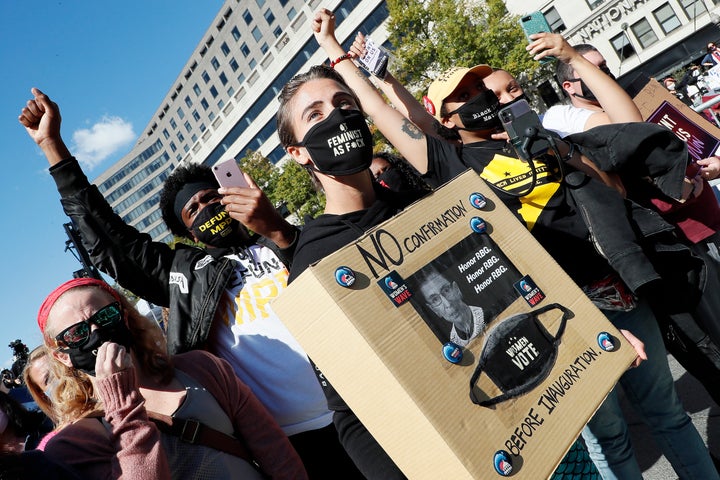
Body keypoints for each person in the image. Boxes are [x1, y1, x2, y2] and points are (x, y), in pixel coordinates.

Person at [344, 24, 718, 480]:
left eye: (480, 87)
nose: (479, 97)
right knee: (610, 438)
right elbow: (388, 117)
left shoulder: (538, 136)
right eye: (463, 96)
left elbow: (612, 160)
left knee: (669, 415)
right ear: (444, 118)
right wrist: (347, 61)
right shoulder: (453, 165)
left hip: (618, 293)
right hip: (560, 314)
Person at [19, 88, 365, 478]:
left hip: (365, 404)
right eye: (193, 210)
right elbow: (110, 241)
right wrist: (54, 150)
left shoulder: (294, 237)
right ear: (191, 235)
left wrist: (280, 232)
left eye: (209, 198)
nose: (206, 210)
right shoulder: (188, 275)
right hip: (296, 441)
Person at [36, 276, 307, 479]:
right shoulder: (74, 441)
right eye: (76, 334)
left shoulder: (200, 368)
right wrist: (122, 404)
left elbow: (273, 449)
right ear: (62, 356)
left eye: (106, 316)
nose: (96, 331)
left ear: (125, 319)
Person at [416, 266, 485, 347]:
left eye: (446, 290)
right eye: (435, 300)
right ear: (434, 310)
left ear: (457, 289)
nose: (448, 304)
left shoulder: (487, 312)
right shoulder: (453, 344)